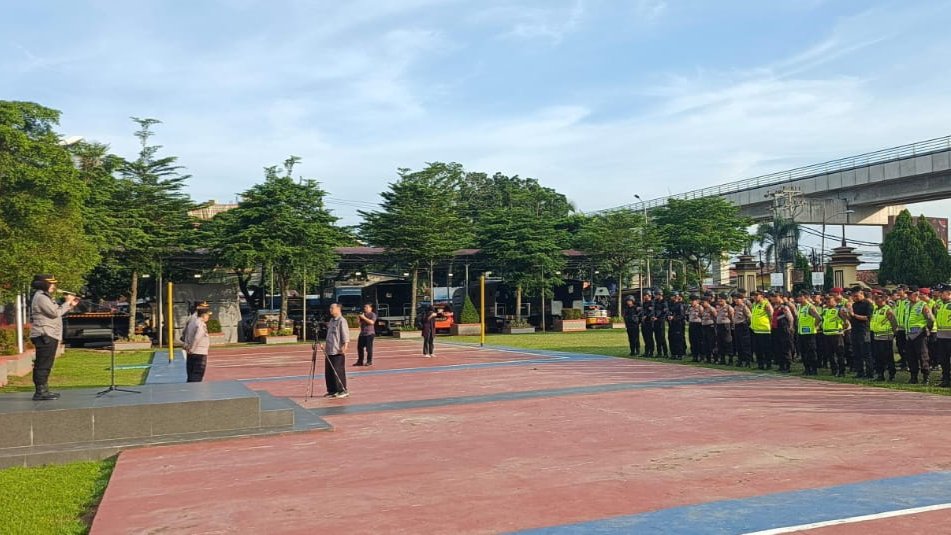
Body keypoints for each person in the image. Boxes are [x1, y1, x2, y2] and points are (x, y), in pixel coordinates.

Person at [29, 274, 78, 400]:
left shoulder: (45, 297)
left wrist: (70, 304)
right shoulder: (41, 297)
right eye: (51, 284)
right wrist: (67, 302)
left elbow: (57, 310)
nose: (54, 286)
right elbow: (55, 313)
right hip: (44, 334)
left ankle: (44, 389)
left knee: (47, 363)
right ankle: (40, 391)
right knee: (43, 364)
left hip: (49, 334)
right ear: (43, 284)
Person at [904, 287, 935, 384]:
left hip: (919, 334)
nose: (908, 296)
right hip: (909, 334)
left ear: (916, 294)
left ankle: (926, 376)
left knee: (923, 356)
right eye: (907, 294)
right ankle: (913, 377)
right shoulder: (907, 305)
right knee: (910, 356)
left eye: (910, 294)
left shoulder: (923, 305)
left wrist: (927, 329)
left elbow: (931, 319)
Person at [870, 291, 898, 382]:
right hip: (876, 336)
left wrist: (893, 333)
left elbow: (894, 323)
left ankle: (891, 374)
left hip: (886, 336)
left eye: (879, 299)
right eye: (876, 299)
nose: (877, 301)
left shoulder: (888, 310)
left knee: (888, 356)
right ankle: (880, 374)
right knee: (878, 357)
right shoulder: (875, 309)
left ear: (884, 300)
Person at [323, 303, 350, 398]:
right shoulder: (331, 320)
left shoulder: (342, 321)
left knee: (338, 370)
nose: (330, 309)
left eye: (332, 308)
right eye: (330, 307)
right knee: (329, 371)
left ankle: (342, 390)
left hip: (337, 350)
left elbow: (345, 334)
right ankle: (332, 390)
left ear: (338, 309)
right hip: (329, 350)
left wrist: (345, 346)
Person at [847, 289, 874, 379]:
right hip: (855, 330)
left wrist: (854, 315)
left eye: (856, 296)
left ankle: (869, 373)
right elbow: (852, 318)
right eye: (853, 296)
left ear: (862, 294)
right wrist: (847, 315)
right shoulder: (854, 305)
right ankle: (860, 372)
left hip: (864, 331)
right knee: (856, 352)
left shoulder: (868, 304)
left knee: (866, 352)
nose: (855, 298)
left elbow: (867, 317)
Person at [182, 304, 212, 382]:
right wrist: (192, 348)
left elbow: (184, 333)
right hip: (199, 353)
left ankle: (190, 392)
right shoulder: (201, 324)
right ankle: (195, 393)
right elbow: (197, 337)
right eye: (208, 315)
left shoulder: (192, 321)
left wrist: (186, 345)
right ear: (204, 315)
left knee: (191, 375)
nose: (208, 317)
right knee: (197, 376)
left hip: (191, 352)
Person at [822, 294, 849, 377]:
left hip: (836, 334)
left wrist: (843, 329)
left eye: (829, 301)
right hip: (827, 334)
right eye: (826, 301)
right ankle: (834, 370)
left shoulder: (839, 309)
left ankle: (842, 371)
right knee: (830, 354)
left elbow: (846, 322)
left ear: (835, 301)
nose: (827, 303)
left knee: (839, 353)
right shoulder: (826, 310)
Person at [795, 291, 822, 376]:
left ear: (805, 297)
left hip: (809, 333)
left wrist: (815, 326)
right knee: (803, 352)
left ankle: (814, 369)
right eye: (798, 296)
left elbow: (818, 318)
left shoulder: (810, 307)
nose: (798, 298)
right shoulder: (799, 307)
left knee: (811, 352)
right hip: (801, 333)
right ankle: (807, 369)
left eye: (800, 296)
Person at [770, 292, 795, 373]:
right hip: (776, 329)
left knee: (785, 348)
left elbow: (790, 318)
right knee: (778, 348)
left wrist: (790, 328)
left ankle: (787, 366)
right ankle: (781, 365)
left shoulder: (784, 307)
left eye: (775, 297)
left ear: (780, 297)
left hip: (784, 329)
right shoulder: (775, 307)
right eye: (772, 297)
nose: (773, 298)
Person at [933, 285, 951, 387]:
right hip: (941, 337)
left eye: (942, 293)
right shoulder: (941, 305)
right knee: (944, 360)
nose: (940, 294)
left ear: (949, 293)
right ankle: (945, 379)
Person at [750, 291, 773, 370]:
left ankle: (768, 364)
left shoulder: (766, 304)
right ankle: (760, 364)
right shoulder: (754, 304)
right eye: (754, 296)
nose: (755, 297)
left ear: (761, 296)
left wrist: (771, 326)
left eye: (757, 295)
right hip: (756, 330)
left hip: (765, 330)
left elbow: (771, 316)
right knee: (758, 349)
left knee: (766, 349)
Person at [732, 291, 753, 368]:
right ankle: (740, 360)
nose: (736, 300)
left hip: (743, 326)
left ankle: (748, 361)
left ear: (741, 299)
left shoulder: (744, 307)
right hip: (737, 327)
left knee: (745, 345)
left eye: (737, 299)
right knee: (739, 344)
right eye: (735, 299)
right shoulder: (735, 307)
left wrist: (747, 324)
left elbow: (749, 316)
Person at [715, 293, 734, 365]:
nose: (719, 301)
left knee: (728, 342)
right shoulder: (718, 307)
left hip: (726, 325)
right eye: (719, 299)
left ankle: (730, 359)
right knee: (720, 342)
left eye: (721, 299)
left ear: (725, 300)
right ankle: (722, 359)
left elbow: (732, 317)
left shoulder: (729, 307)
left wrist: (732, 325)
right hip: (719, 325)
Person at [667, 292, 686, 359]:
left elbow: (682, 315)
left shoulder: (680, 305)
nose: (671, 298)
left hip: (678, 324)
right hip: (671, 324)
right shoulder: (671, 304)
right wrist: (669, 317)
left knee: (678, 339)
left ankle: (680, 354)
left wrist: (674, 318)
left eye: (672, 296)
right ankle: (673, 353)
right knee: (671, 338)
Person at [699, 294, 717, 363]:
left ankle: (715, 358)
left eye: (703, 302)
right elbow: (701, 317)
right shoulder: (703, 309)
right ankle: (708, 358)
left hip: (710, 327)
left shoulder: (712, 309)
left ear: (707, 302)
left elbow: (716, 318)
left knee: (711, 343)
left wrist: (714, 327)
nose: (702, 304)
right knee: (705, 343)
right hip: (704, 327)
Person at [652, 290, 669, 358]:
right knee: (657, 338)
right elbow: (654, 311)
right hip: (655, 321)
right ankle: (659, 353)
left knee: (662, 338)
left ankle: (665, 353)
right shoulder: (655, 302)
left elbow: (664, 313)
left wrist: (658, 318)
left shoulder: (664, 302)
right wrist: (653, 317)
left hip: (661, 321)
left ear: (660, 295)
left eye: (656, 295)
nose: (655, 296)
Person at [687, 294, 703, 362]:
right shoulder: (690, 308)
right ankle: (694, 356)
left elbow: (702, 317)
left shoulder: (700, 307)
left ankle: (701, 356)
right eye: (690, 300)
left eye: (692, 300)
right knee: (692, 341)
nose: (691, 302)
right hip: (691, 324)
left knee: (698, 341)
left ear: (697, 301)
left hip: (698, 325)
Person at [640, 292, 655, 357]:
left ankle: (651, 352)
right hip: (644, 323)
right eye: (644, 295)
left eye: (645, 295)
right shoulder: (644, 303)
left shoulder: (652, 303)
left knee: (649, 338)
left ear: (649, 296)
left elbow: (652, 312)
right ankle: (646, 352)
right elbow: (643, 312)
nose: (644, 296)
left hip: (649, 322)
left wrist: (647, 316)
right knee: (645, 337)